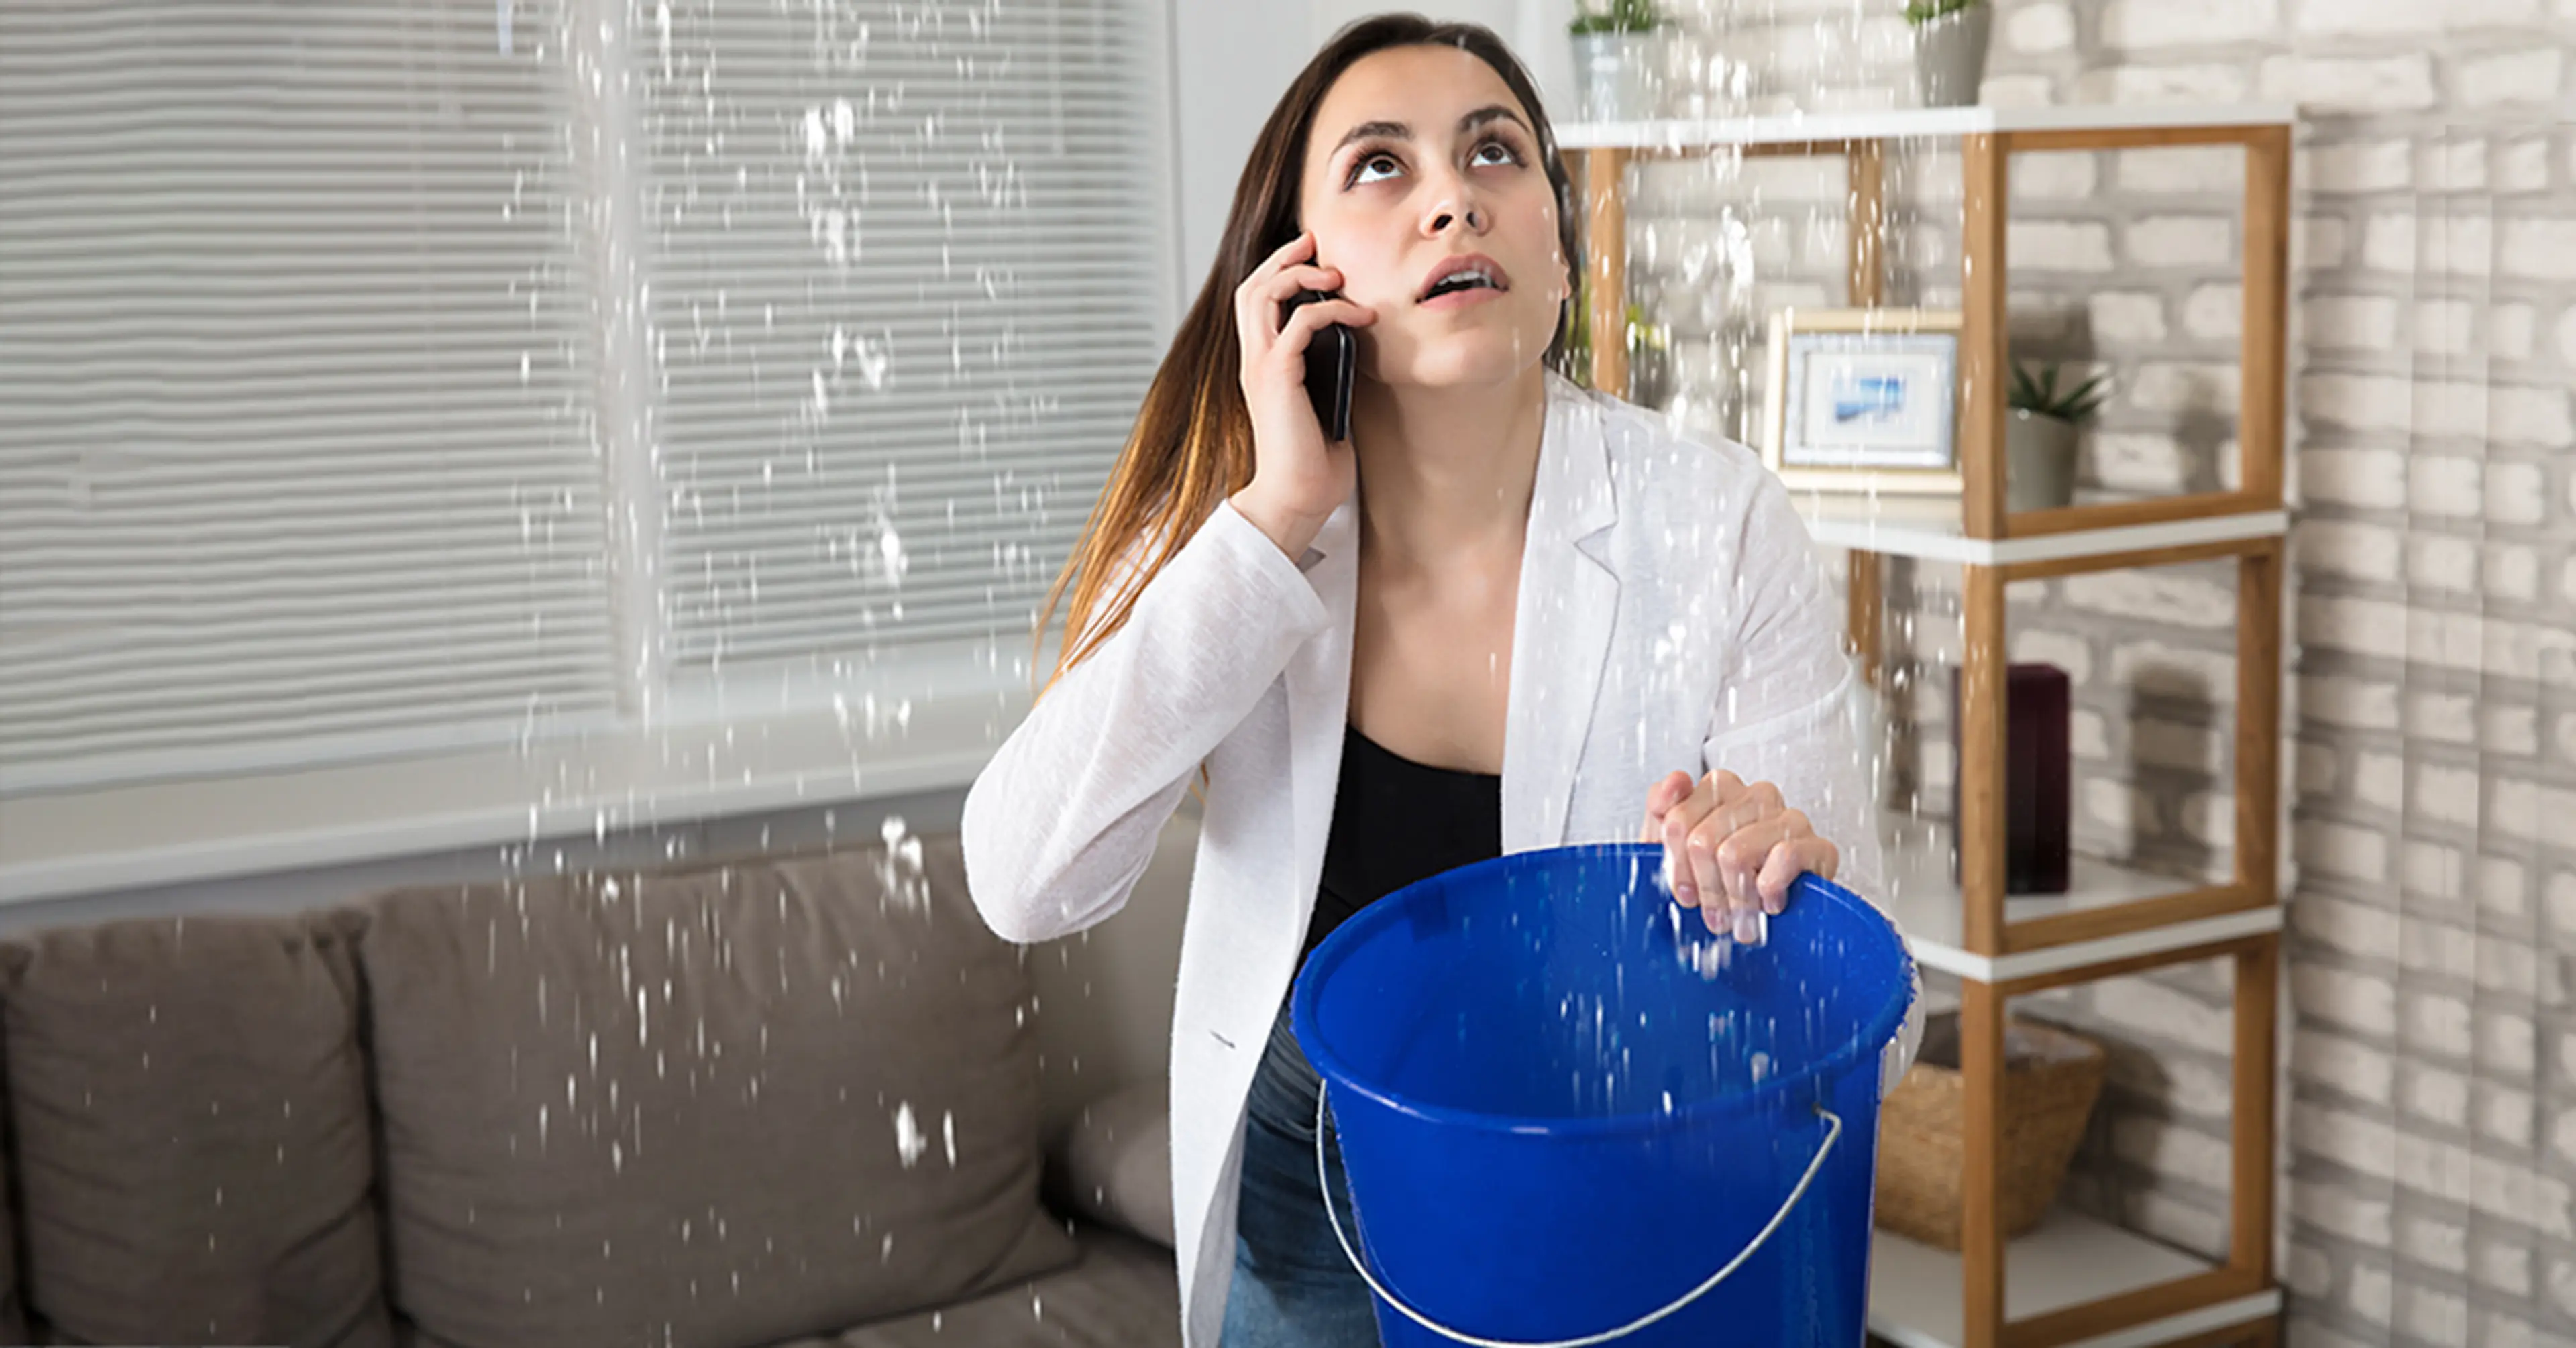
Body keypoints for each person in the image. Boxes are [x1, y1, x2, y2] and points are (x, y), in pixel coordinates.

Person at [963, 13, 1919, 1347]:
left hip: (1613, 1187)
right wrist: (1279, 514)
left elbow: (1882, 1026)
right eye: (1379, 166)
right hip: (1305, 1191)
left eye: (1494, 154)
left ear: (1561, 252)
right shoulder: (1230, 523)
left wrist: (1791, 898)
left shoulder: (1716, 519)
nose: (1452, 198)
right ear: (1294, 271)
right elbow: (1024, 880)